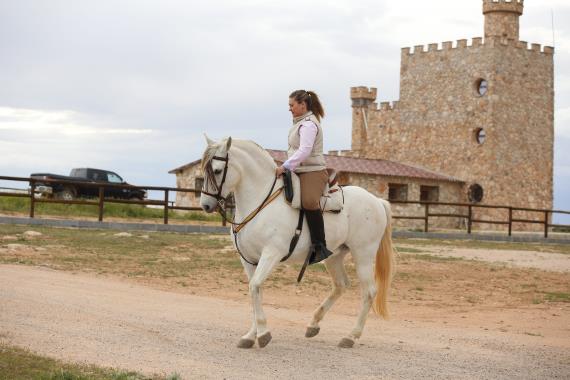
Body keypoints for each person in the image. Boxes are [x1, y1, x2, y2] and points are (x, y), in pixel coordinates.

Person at [275, 90, 333, 264]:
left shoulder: (309, 124)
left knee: (308, 201)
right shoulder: (298, 123)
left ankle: (319, 246)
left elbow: (305, 151)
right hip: (299, 170)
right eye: (289, 105)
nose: (289, 109)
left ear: (302, 105)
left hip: (313, 171)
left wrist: (285, 166)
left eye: (292, 105)